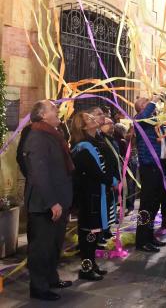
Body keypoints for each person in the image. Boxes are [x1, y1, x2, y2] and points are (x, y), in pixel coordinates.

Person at [23, 100, 74, 301]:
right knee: (41, 248)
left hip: (59, 200)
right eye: (53, 108)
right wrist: (52, 201)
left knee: (54, 245)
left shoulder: (52, 134)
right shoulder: (37, 136)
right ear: (43, 115)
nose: (58, 110)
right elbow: (39, 173)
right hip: (45, 203)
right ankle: (39, 287)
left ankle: (51, 278)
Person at [71, 111, 116, 282]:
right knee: (88, 233)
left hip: (98, 193)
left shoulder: (96, 141)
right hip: (89, 196)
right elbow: (96, 173)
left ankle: (92, 264)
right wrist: (110, 179)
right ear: (83, 127)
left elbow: (109, 161)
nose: (94, 119)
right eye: (89, 119)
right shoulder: (82, 147)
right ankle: (86, 268)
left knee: (95, 232)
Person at [134, 95, 166, 252]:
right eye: (145, 102)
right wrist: (153, 101)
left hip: (159, 166)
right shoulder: (139, 119)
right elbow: (145, 115)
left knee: (155, 203)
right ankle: (141, 240)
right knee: (146, 204)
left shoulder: (155, 121)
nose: (149, 103)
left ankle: (149, 235)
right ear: (140, 107)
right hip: (149, 166)